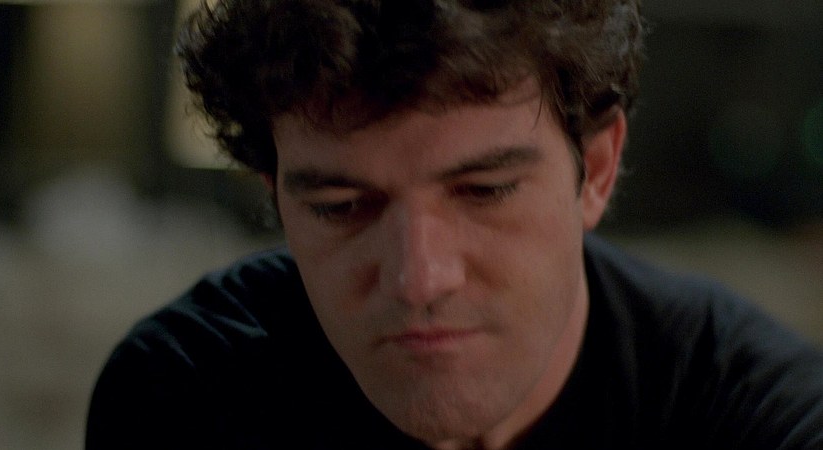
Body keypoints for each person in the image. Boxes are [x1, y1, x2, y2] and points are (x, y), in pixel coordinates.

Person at [86, 1, 823, 449]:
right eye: (340, 206)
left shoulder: (754, 413)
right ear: (275, 200)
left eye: (485, 191)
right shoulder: (188, 393)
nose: (418, 279)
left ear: (596, 171)